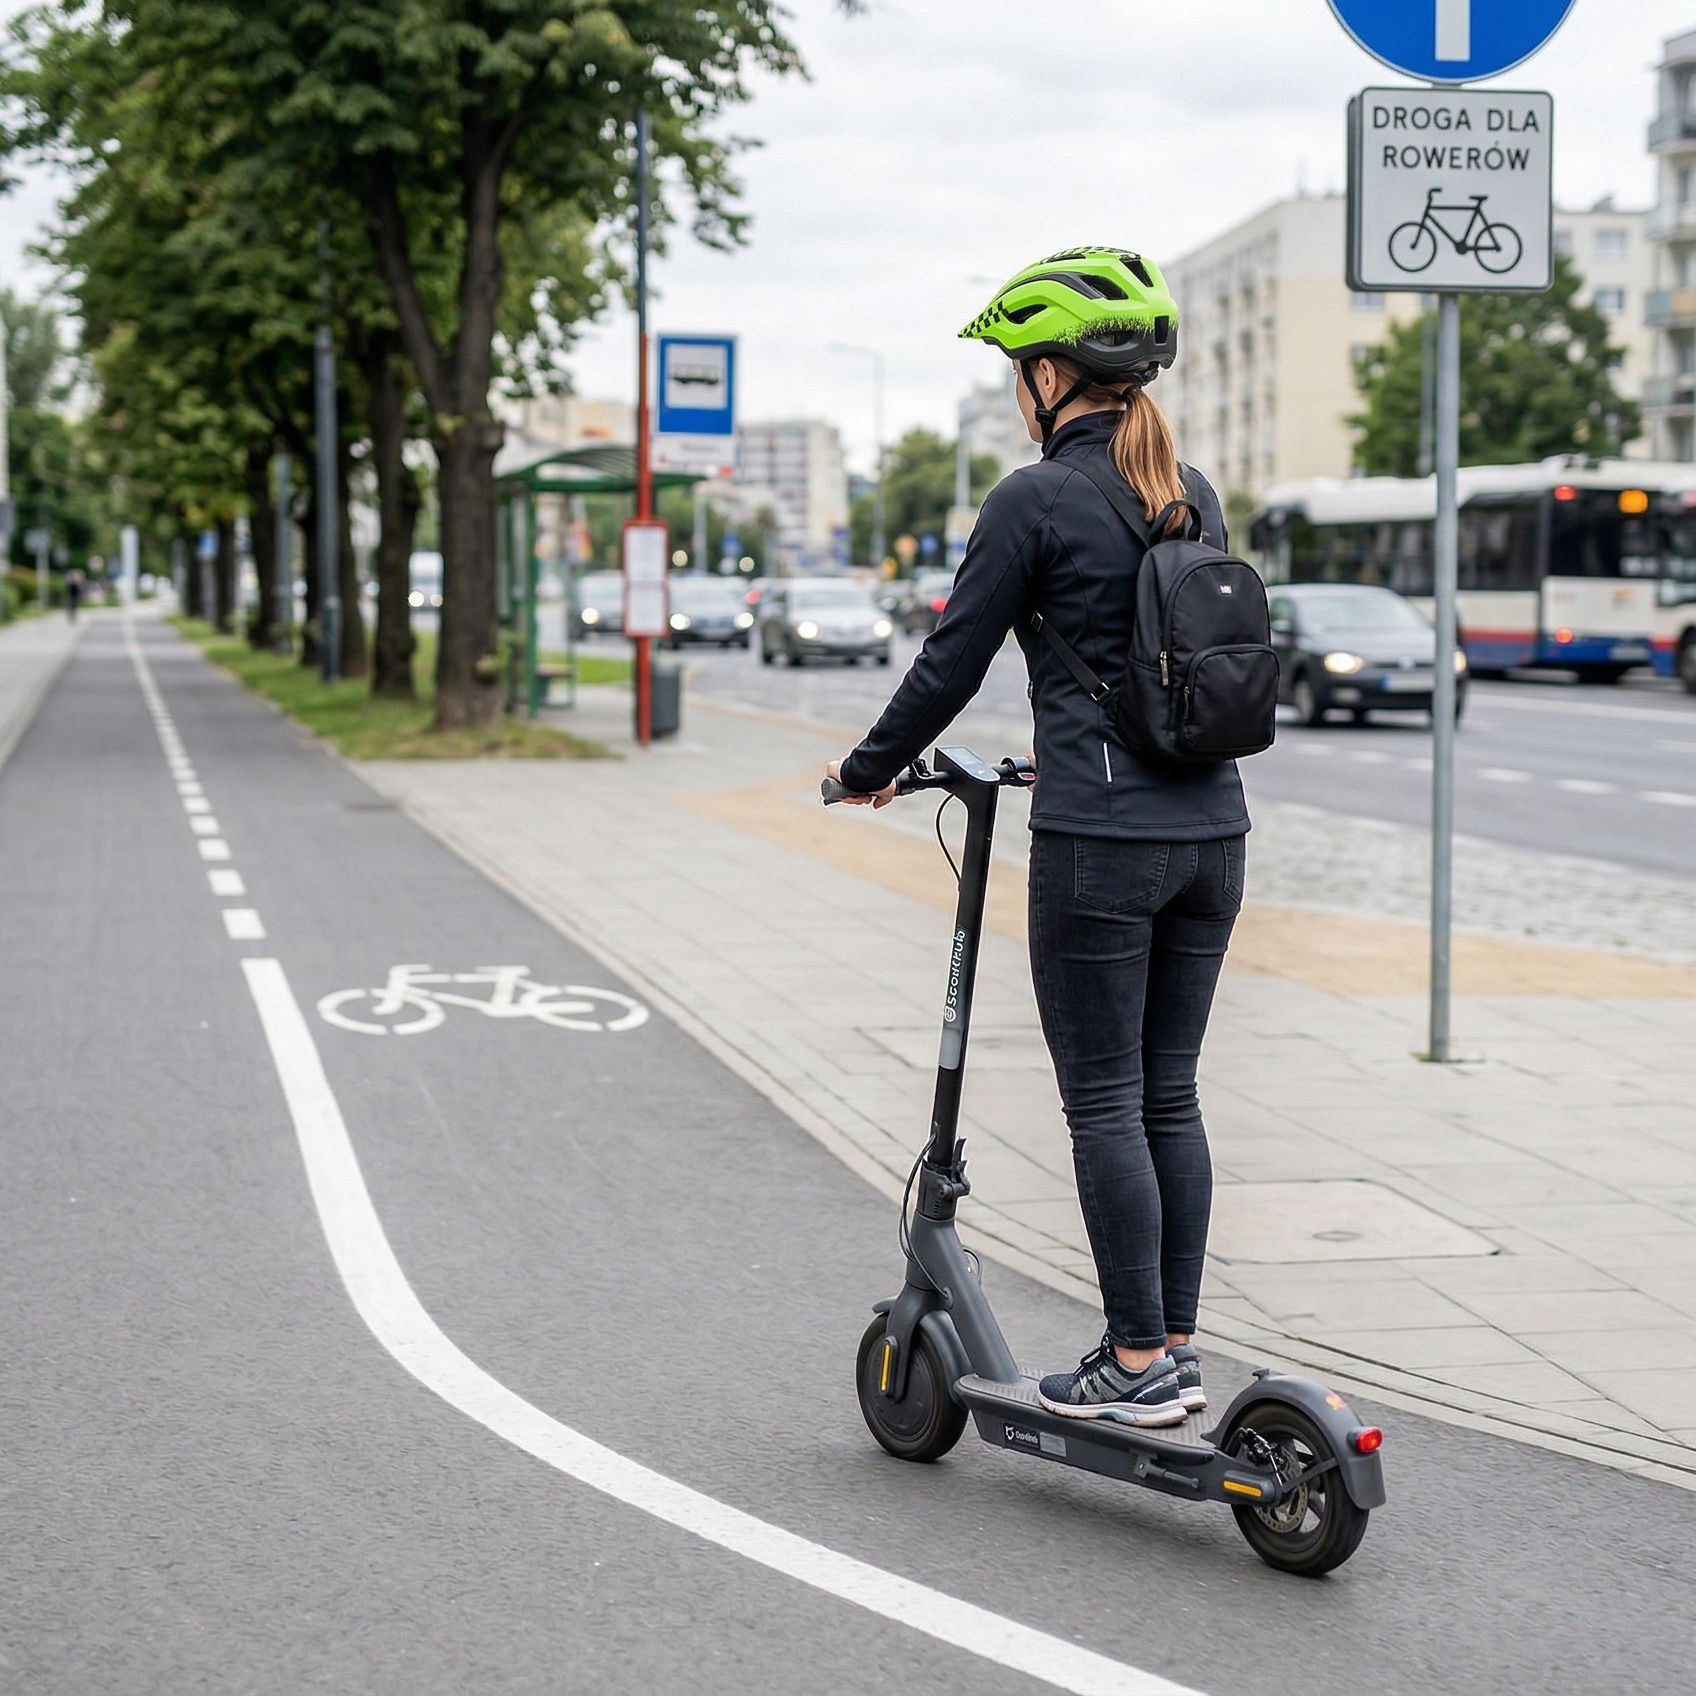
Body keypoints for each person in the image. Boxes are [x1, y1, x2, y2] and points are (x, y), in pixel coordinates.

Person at [829, 248, 1249, 1429]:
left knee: (1105, 1101)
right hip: (1214, 832)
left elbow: (947, 663)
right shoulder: (1191, 490)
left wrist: (863, 773)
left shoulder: (1032, 500)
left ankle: (1128, 1365)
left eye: (1021, 369)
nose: (1020, 388)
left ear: (1053, 376)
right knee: (1170, 1095)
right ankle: (1172, 1347)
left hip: (1101, 844)